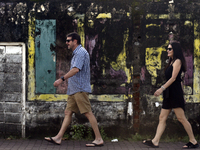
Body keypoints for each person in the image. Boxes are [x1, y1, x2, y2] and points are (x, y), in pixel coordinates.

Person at [44, 32, 104, 147]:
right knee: (68, 112)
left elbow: (76, 69)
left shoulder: (81, 53)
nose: (66, 42)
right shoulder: (76, 53)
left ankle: (99, 139)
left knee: (88, 112)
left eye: (68, 40)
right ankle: (58, 138)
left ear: (75, 41)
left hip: (80, 88)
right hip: (74, 89)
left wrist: (61, 79)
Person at [143, 42, 199, 149]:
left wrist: (161, 88)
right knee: (162, 117)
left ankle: (193, 141)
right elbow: (175, 79)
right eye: (167, 49)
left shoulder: (178, 61)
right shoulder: (171, 61)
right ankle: (155, 141)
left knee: (181, 118)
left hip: (175, 92)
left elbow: (173, 78)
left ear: (175, 50)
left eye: (169, 49)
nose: (167, 50)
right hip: (168, 93)